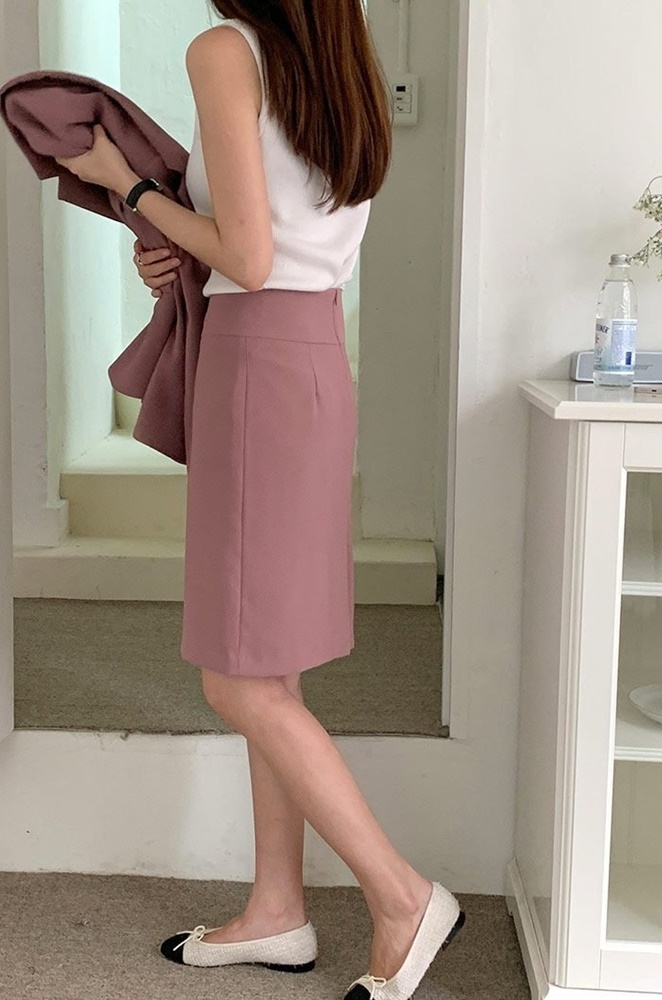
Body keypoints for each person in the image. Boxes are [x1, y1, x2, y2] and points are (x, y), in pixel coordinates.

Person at [55, 2, 465, 998]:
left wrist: (128, 184)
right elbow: (267, 236)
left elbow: (249, 255)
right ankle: (276, 908)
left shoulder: (225, 51)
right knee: (267, 662)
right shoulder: (335, 59)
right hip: (313, 352)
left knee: (237, 680)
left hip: (259, 364)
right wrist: (172, 239)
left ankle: (403, 897)